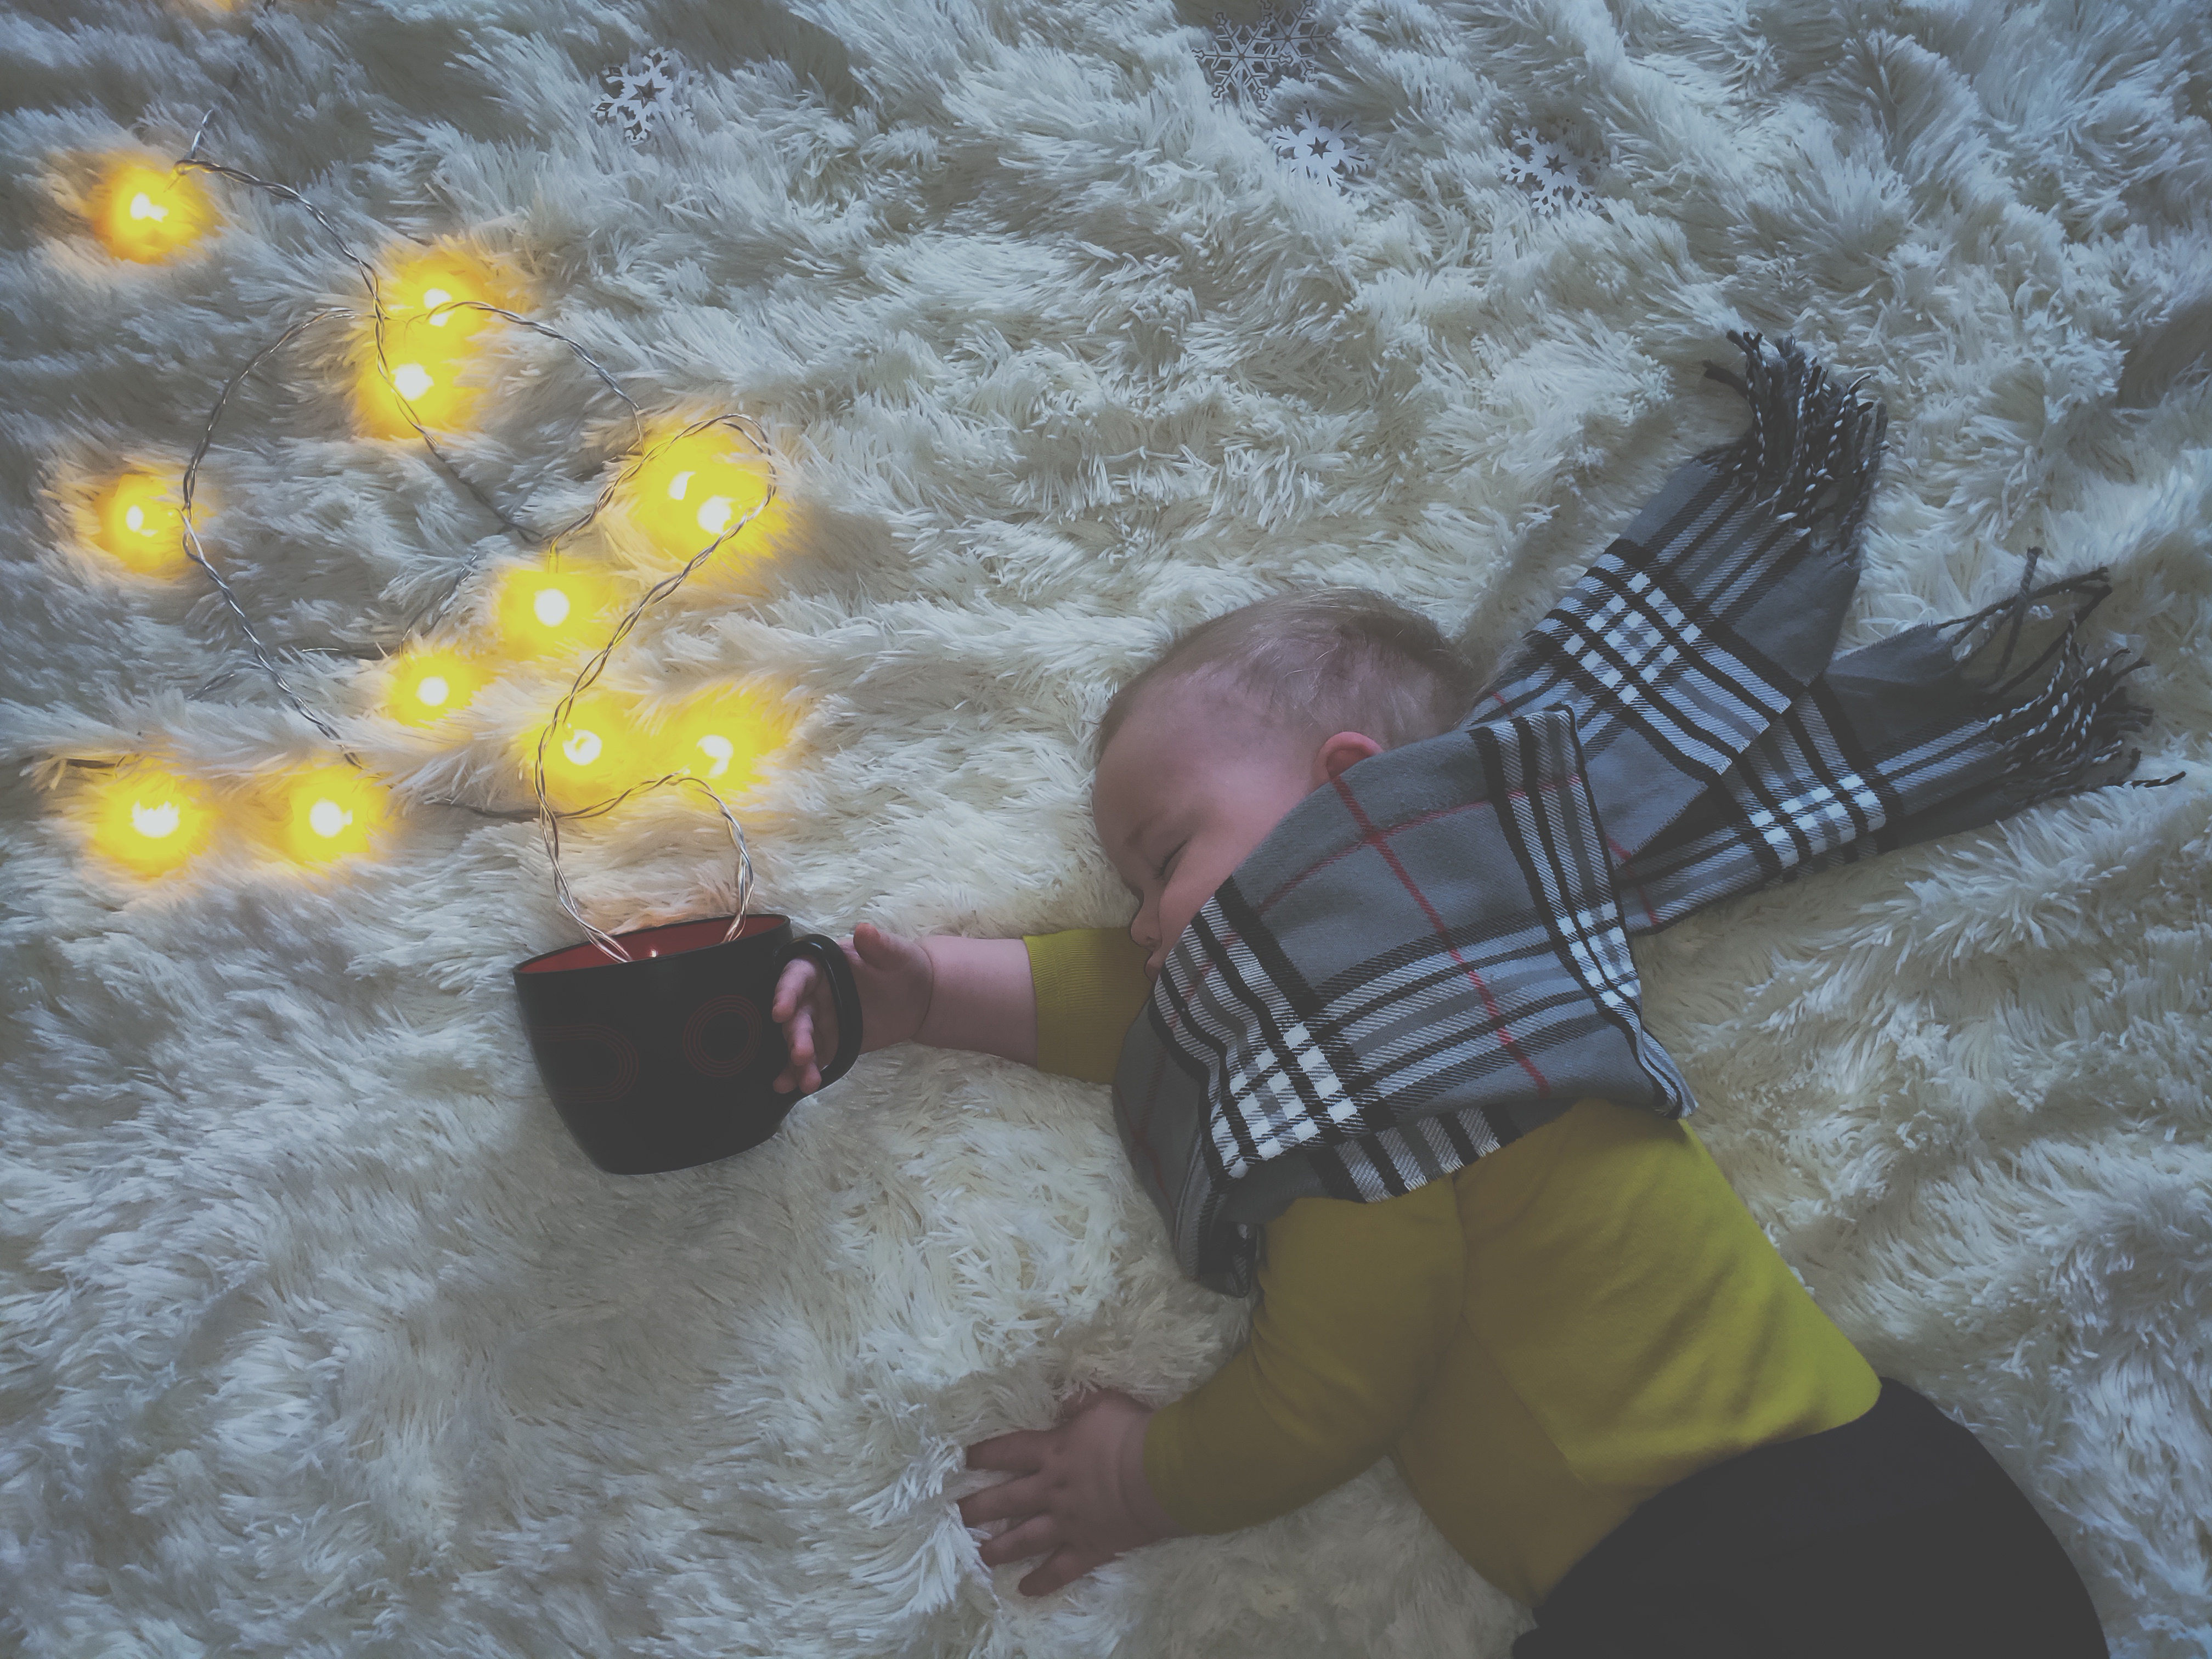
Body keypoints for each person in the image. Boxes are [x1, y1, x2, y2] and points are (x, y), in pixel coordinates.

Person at [768, 589, 2109, 1657]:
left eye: (1165, 859)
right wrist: (930, 994)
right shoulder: (1452, 976)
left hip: (1783, 1564)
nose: (1142, 924)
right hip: (1861, 1530)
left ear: (1347, 797)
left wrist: (1141, 1480)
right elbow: (1162, 1012)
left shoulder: (1397, 1088)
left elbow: (1331, 1393)